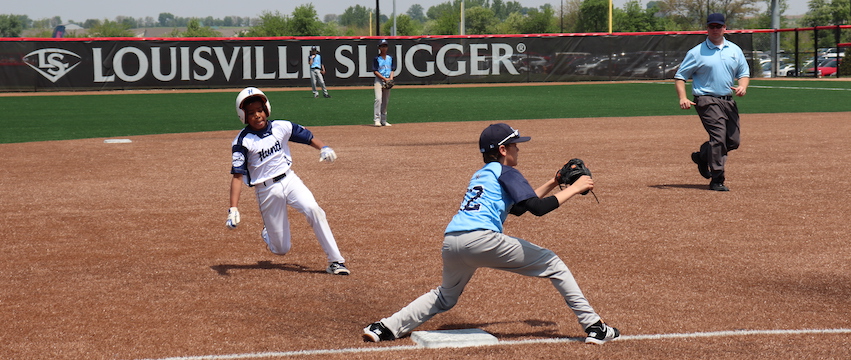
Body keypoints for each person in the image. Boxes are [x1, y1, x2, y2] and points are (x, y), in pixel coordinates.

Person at [362, 123, 619, 345]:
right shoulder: (507, 171)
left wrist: (553, 183)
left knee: (445, 296)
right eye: (515, 145)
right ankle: (595, 326)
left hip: (452, 242)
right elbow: (538, 209)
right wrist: (575, 188)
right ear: (503, 150)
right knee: (553, 263)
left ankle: (384, 327)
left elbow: (519, 207)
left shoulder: (482, 174)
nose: (519, 148)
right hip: (481, 239)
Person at [226, 87, 350, 275]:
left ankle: (336, 261)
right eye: (251, 113)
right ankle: (269, 234)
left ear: (266, 109)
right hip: (266, 190)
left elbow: (307, 137)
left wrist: (323, 147)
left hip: (290, 180)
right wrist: (233, 208)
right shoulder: (242, 141)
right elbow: (237, 176)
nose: (257, 115)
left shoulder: (281, 127)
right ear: (243, 116)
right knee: (281, 249)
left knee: (314, 210)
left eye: (260, 110)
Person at [674, 13, 750, 192]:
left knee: (732, 141)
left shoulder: (734, 50)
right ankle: (717, 178)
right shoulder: (696, 52)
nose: (715, 29)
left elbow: (744, 73)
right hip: (706, 100)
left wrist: (742, 86)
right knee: (718, 138)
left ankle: (702, 156)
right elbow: (680, 77)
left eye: (719, 26)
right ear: (707, 29)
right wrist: (683, 97)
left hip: (728, 100)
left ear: (725, 28)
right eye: (712, 26)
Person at [372, 39, 395, 127]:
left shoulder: (390, 58)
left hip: (387, 79)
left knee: (385, 101)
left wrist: (390, 79)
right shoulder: (376, 59)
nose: (384, 48)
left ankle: (384, 120)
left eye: (385, 46)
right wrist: (384, 78)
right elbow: (375, 71)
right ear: (379, 48)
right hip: (379, 80)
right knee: (378, 99)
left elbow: (392, 69)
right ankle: (377, 120)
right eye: (382, 46)